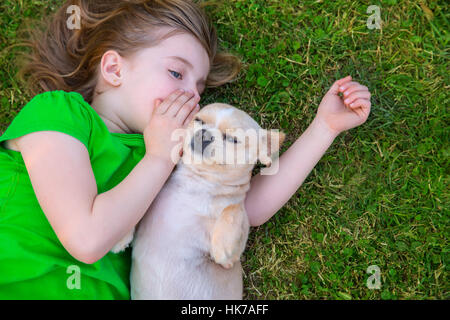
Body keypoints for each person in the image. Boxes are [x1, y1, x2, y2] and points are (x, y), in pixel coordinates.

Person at [0, 0, 371, 299]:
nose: (192, 95)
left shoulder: (172, 153)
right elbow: (87, 238)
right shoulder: (59, 114)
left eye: (200, 87)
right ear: (114, 69)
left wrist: (324, 128)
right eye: (177, 73)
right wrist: (158, 157)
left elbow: (247, 205)